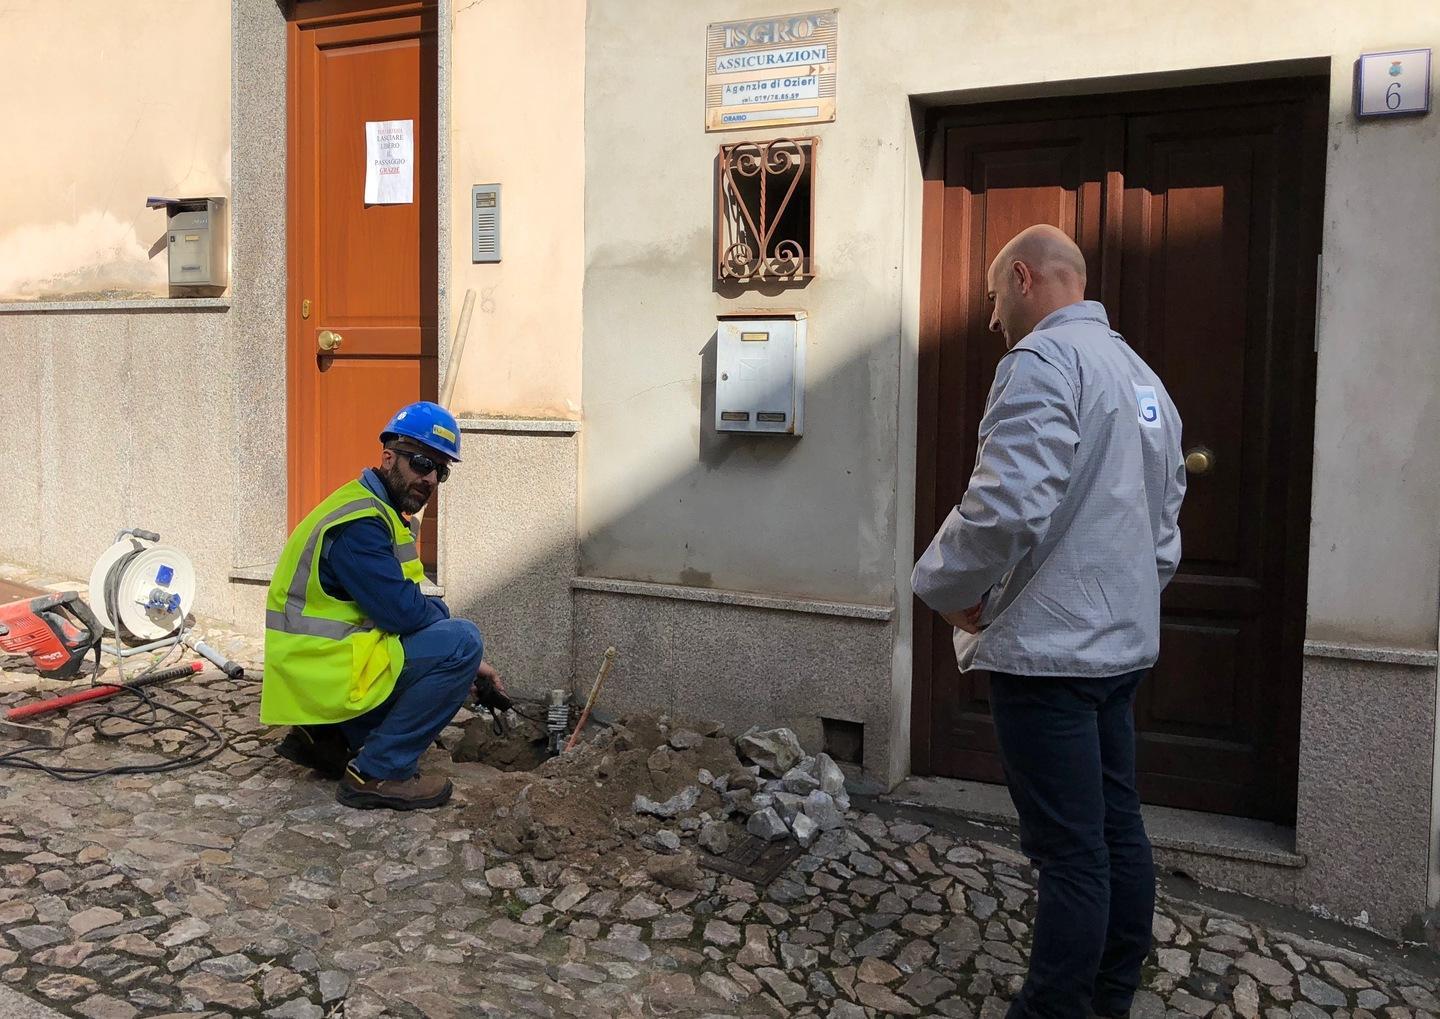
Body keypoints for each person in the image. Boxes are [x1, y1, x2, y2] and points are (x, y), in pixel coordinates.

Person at [912, 225, 1185, 1019]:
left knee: (1071, 853)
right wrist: (1133, 597)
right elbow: (1164, 522)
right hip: (1118, 648)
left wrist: (947, 587)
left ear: (1025, 278)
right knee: (1116, 827)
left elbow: (1004, 507)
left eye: (995, 298)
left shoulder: (1041, 361)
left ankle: (1054, 1008)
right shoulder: (1140, 375)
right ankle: (1108, 997)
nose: (993, 320)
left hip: (1051, 654)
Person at [261, 400, 506, 811]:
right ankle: (379, 772)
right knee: (462, 641)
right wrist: (451, 638)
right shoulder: (361, 523)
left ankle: (329, 738)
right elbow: (404, 613)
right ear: (388, 456)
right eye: (422, 462)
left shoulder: (379, 511)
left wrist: (443, 638)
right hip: (324, 672)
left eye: (440, 471)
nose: (429, 478)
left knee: (450, 642)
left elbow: (400, 606)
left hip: (324, 669)